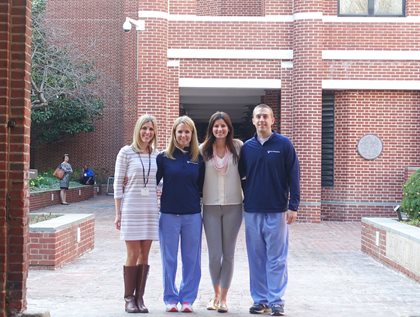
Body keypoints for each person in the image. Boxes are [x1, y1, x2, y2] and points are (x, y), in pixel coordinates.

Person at [239, 104, 300, 316]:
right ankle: (260, 300)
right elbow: (239, 177)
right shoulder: (247, 147)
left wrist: (293, 206)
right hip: (252, 210)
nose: (262, 120)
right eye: (258, 117)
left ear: (273, 120)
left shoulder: (284, 145)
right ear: (253, 121)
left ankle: (276, 300)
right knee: (256, 258)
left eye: (265, 116)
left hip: (277, 210)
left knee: (277, 258)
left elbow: (294, 175)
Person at [156, 116, 205, 313]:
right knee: (169, 259)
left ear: (192, 134)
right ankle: (170, 298)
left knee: (191, 259)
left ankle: (187, 299)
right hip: (168, 215)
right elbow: (150, 183)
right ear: (174, 134)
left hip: (192, 215)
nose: (183, 135)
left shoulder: (198, 159)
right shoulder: (163, 158)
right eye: (180, 132)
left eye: (187, 132)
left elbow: (202, 187)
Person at [113, 114, 159, 313]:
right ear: (138, 130)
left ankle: (140, 297)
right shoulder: (126, 152)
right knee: (133, 253)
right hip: (131, 207)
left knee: (145, 254)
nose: (147, 132)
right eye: (144, 128)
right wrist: (118, 213)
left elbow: (159, 181)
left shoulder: (157, 154)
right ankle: (128, 299)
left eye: (150, 129)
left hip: (149, 208)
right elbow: (117, 184)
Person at [200, 111, 243, 313]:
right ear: (211, 128)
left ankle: (224, 298)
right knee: (214, 255)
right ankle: (215, 294)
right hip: (210, 207)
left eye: (223, 125)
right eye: (216, 126)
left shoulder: (238, 147)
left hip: (234, 206)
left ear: (228, 127)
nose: (219, 129)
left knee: (229, 254)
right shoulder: (202, 150)